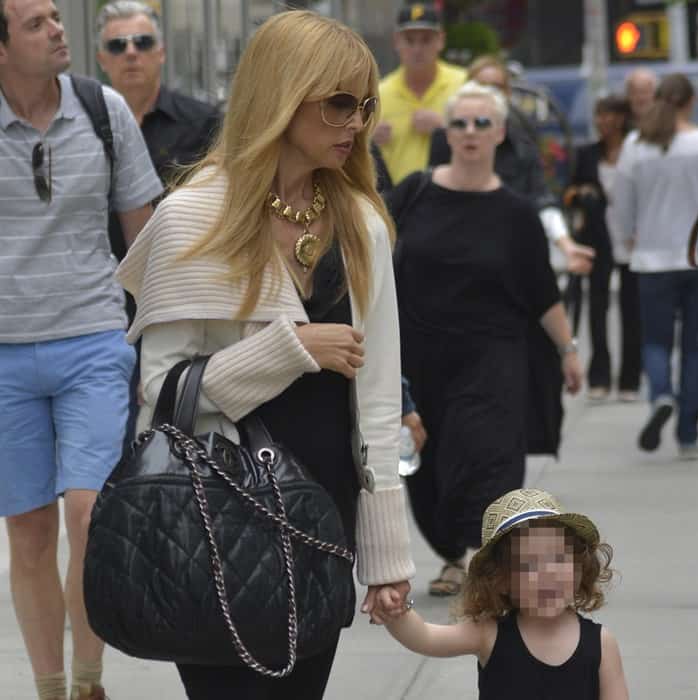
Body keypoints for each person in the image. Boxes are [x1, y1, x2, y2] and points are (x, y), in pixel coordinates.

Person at [115, 10, 415, 699]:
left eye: (365, 106)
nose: (356, 123)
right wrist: (291, 349)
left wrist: (388, 554)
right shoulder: (193, 216)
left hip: (325, 518)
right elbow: (163, 394)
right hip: (214, 514)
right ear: (282, 94)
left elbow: (376, 398)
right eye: (339, 102)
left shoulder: (362, 222)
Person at [0, 1, 163, 699]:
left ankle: (90, 682)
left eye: (56, 17)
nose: (59, 29)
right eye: (36, 24)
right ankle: (50, 687)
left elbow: (147, 240)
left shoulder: (104, 110)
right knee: (29, 533)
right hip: (5, 357)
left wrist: (154, 346)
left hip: (95, 340)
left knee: (89, 515)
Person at [388, 81, 582, 597]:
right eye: (460, 123)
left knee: (486, 452)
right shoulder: (414, 193)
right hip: (422, 355)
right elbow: (375, 268)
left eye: (481, 124)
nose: (470, 133)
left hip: (494, 355)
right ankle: (451, 552)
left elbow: (542, 290)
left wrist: (568, 351)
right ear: (446, 134)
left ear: (499, 134)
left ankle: (482, 556)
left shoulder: (517, 214)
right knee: (426, 470)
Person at [95, 0, 221, 445]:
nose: (132, 52)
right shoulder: (85, 127)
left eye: (143, 42)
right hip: (101, 312)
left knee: (172, 447)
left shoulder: (204, 122)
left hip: (179, 307)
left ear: (161, 52)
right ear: (102, 58)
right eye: (118, 44)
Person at [380, 488, 630, 700]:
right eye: (529, 565)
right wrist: (397, 611)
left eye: (559, 559)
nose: (548, 573)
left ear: (579, 568)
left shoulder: (600, 643)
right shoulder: (489, 633)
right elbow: (426, 637)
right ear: (500, 580)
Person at [429, 54, 595, 276]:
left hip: (507, 255)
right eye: (481, 86)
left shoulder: (521, 146)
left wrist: (565, 244)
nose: (470, 133)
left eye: (497, 87)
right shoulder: (443, 143)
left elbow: (541, 198)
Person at [612, 73, 698, 459]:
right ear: (691, 101)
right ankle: (686, 434)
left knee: (656, 341)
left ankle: (661, 394)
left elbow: (622, 200)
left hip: (651, 259)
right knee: (695, 349)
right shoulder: (697, 144)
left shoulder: (635, 145)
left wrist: (629, 237)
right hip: (696, 257)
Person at [565, 95, 641, 402]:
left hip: (632, 238)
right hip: (597, 239)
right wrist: (581, 193)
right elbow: (567, 192)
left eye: (609, 115)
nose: (603, 122)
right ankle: (599, 377)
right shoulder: (586, 154)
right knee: (597, 309)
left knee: (632, 311)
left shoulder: (636, 151)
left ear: (622, 117)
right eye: (599, 116)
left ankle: (630, 380)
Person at [375, 3, 466, 185]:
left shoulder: (463, 85)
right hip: (398, 204)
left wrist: (444, 128)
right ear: (396, 42)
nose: (417, 49)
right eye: (409, 40)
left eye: (426, 40)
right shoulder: (378, 93)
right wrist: (368, 143)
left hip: (455, 196)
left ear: (440, 40)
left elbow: (490, 140)